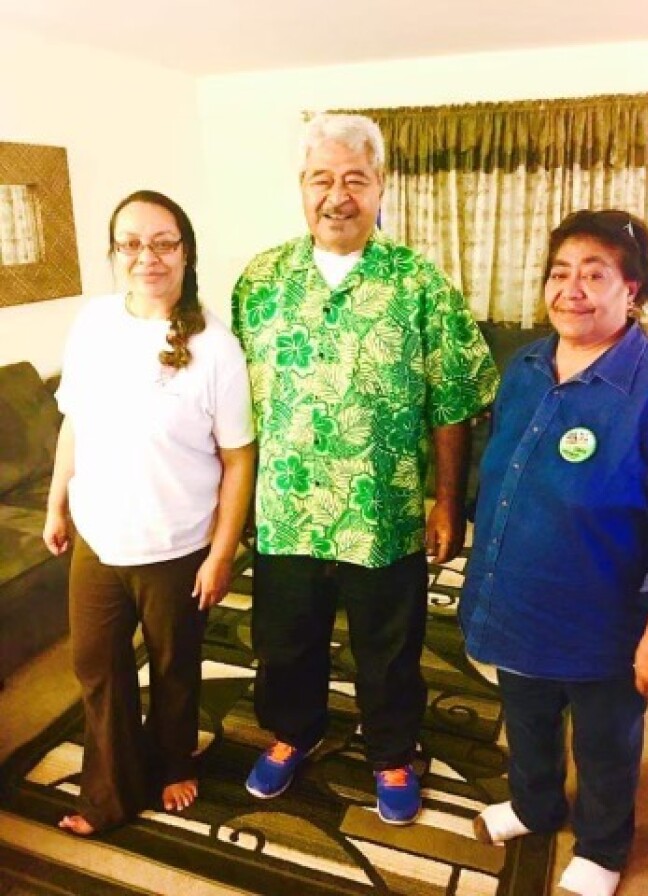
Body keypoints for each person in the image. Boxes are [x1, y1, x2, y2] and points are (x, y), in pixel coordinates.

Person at [232, 113, 499, 825]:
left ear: (381, 187)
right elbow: (227, 404)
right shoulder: (259, 280)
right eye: (322, 178)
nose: (338, 195)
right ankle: (294, 733)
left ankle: (390, 752)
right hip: (285, 509)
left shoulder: (419, 282)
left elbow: (453, 401)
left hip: (386, 511)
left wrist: (449, 502)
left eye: (355, 178)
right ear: (302, 187)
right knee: (284, 642)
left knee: (388, 648)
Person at [459, 210, 648, 896]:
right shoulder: (524, 366)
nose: (572, 289)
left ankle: (604, 848)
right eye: (560, 272)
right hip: (516, 602)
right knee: (525, 721)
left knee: (606, 744)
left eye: (595, 273)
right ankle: (535, 804)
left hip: (604, 622)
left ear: (632, 289)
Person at [43, 190, 256, 835]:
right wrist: (57, 501)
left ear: (187, 252)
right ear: (113, 254)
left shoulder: (216, 346)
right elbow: (74, 420)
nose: (148, 257)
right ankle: (107, 794)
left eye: (164, 242)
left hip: (176, 546)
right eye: (131, 243)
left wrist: (221, 553)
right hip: (100, 541)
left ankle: (172, 763)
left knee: (172, 669)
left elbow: (239, 458)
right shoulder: (93, 323)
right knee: (98, 670)